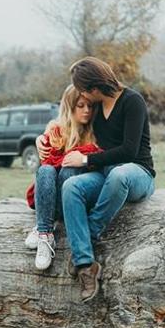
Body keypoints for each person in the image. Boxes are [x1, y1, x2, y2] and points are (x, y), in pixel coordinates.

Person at [58, 56, 155, 303]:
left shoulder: (132, 101)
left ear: (94, 88)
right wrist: (45, 138)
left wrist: (86, 162)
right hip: (105, 173)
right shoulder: (97, 107)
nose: (83, 97)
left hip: (136, 173)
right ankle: (86, 265)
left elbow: (129, 151)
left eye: (83, 90)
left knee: (119, 174)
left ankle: (85, 240)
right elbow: (70, 123)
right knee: (71, 187)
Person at [24, 84, 102, 270]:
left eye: (90, 106)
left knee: (69, 170)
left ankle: (43, 226)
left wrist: (79, 159)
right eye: (80, 105)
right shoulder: (56, 130)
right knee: (45, 170)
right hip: (49, 196)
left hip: (72, 200)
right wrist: (40, 140)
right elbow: (47, 160)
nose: (86, 111)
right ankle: (45, 234)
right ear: (69, 106)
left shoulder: (95, 132)